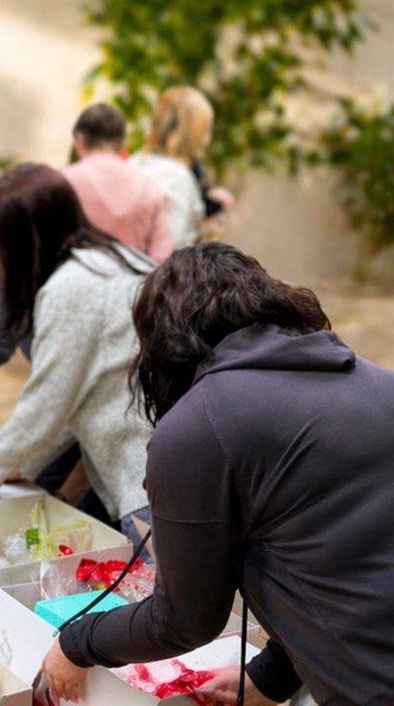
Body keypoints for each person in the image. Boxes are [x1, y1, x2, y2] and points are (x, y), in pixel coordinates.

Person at [41, 243, 394, 705]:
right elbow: (332, 560)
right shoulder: (377, 383)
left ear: (163, 342)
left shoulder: (200, 424)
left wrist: (76, 644)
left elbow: (184, 619)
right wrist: (270, 677)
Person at [0, 103, 170, 522]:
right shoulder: (109, 258)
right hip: (156, 468)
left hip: (146, 480)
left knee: (152, 585)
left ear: (25, 242)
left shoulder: (72, 288)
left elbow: (48, 398)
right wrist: (17, 464)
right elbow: (72, 400)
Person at [131, 86, 235, 248]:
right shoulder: (177, 176)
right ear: (196, 133)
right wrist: (208, 231)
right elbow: (169, 243)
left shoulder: (135, 161)